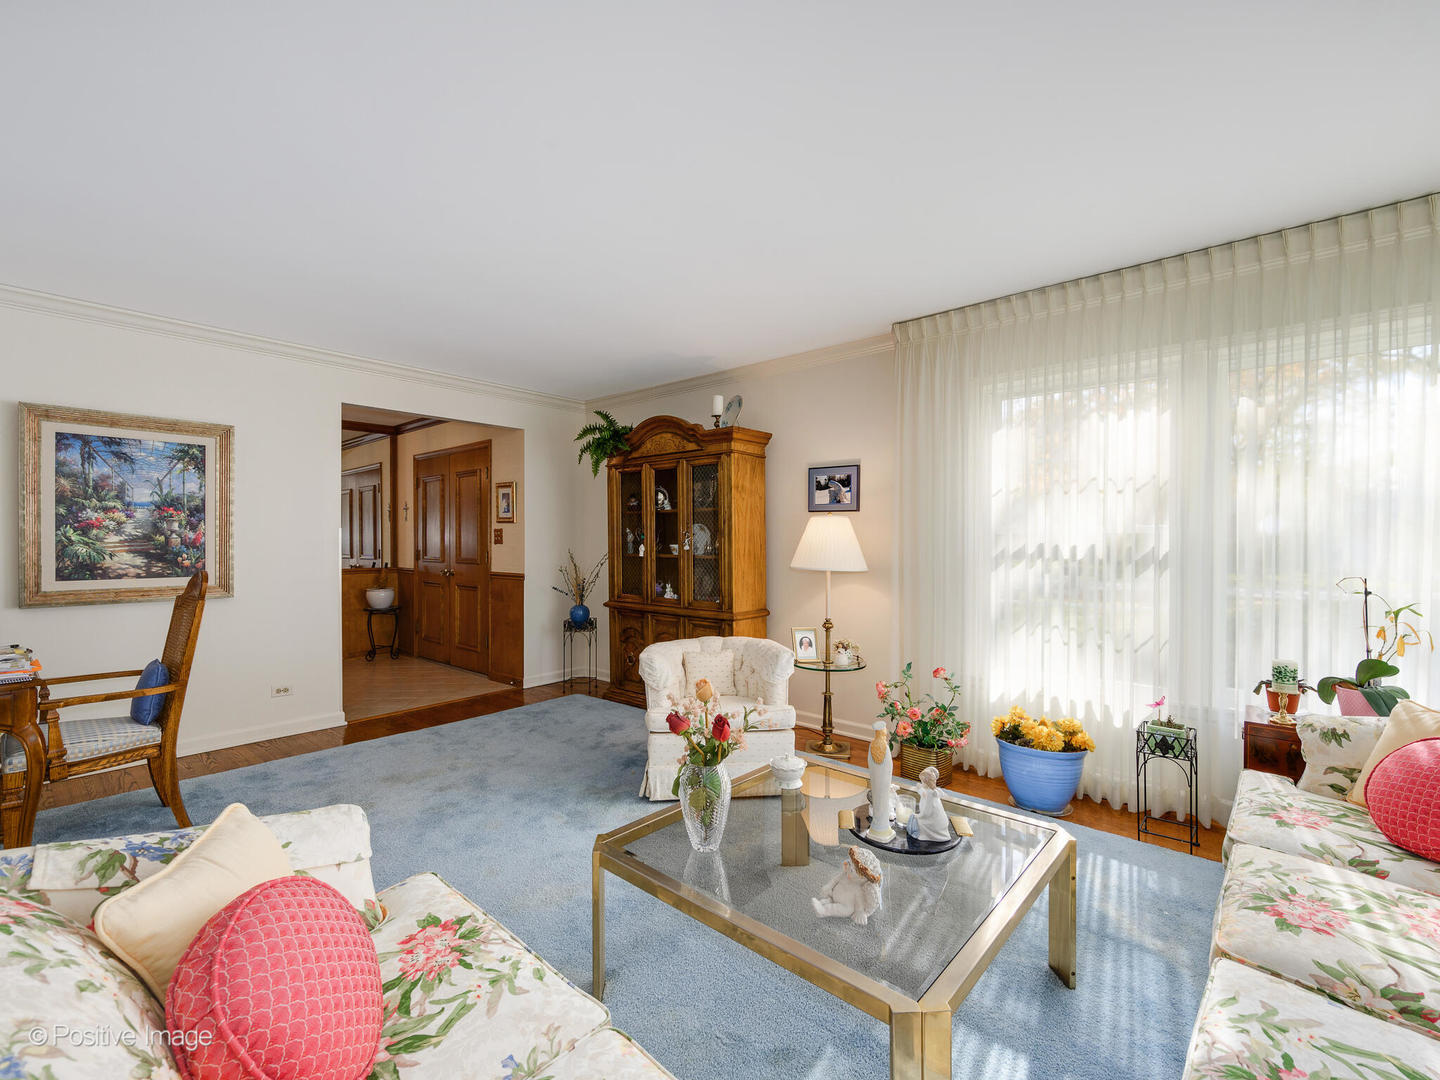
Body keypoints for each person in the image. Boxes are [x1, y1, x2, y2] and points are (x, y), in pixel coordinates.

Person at [811, 845, 884, 925]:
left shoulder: (858, 889)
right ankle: (828, 901)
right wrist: (829, 886)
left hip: (845, 906)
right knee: (830, 899)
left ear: (862, 878)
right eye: (849, 863)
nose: (847, 868)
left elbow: (859, 902)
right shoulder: (845, 874)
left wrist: (860, 912)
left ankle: (823, 911)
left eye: (852, 870)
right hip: (836, 895)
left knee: (837, 908)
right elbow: (835, 880)